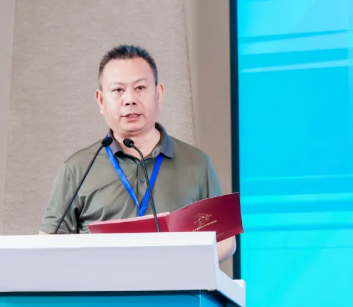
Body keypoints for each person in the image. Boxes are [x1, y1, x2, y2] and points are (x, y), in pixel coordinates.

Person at [39, 44, 236, 263]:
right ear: (101, 101)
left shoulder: (197, 163)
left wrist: (176, 268)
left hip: (174, 284)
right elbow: (48, 245)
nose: (130, 99)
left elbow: (225, 241)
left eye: (140, 87)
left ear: (158, 94)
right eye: (118, 90)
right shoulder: (77, 169)